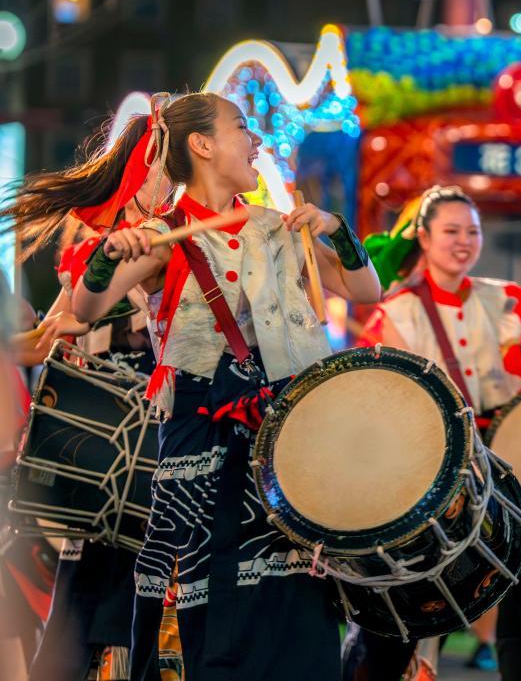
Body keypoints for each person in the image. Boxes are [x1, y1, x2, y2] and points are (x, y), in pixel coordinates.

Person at [65, 91, 383, 681]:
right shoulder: (162, 235)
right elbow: (87, 306)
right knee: (204, 612)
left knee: (295, 602)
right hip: (199, 445)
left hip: (287, 440)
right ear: (202, 144)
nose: (256, 139)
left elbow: (367, 292)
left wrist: (337, 230)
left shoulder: (278, 228)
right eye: (243, 127)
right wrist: (110, 255)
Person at [345, 185, 521, 681]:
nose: (463, 241)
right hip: (436, 469)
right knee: (483, 566)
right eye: (450, 231)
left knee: (510, 556)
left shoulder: (507, 299)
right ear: (423, 238)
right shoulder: (395, 313)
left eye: (472, 231)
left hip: (511, 456)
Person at [1, 109, 173, 681]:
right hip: (100, 436)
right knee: (93, 579)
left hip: (173, 424)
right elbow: (45, 338)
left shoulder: (195, 233)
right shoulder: (91, 241)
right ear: (143, 169)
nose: (172, 180)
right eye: (165, 167)